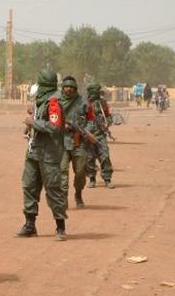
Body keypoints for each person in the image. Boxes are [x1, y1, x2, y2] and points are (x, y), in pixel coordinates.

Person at [16, 68, 68, 241]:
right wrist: (34, 114)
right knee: (29, 186)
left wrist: (34, 122)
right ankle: (30, 224)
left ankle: (60, 227)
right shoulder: (41, 99)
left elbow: (54, 127)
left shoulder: (54, 101)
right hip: (34, 150)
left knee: (53, 188)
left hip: (49, 153)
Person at [59, 76, 91, 208]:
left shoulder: (83, 102)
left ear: (75, 88)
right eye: (66, 86)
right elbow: (50, 120)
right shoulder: (56, 102)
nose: (69, 89)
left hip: (79, 142)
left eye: (71, 87)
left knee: (80, 172)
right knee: (62, 171)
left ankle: (78, 193)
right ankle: (63, 198)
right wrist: (61, 126)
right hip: (61, 141)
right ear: (62, 87)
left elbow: (91, 120)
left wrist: (85, 131)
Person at [85, 82, 115, 189]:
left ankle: (107, 179)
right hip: (88, 135)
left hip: (100, 134)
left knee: (105, 156)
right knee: (89, 158)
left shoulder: (103, 103)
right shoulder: (84, 104)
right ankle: (92, 179)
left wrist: (107, 124)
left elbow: (109, 116)